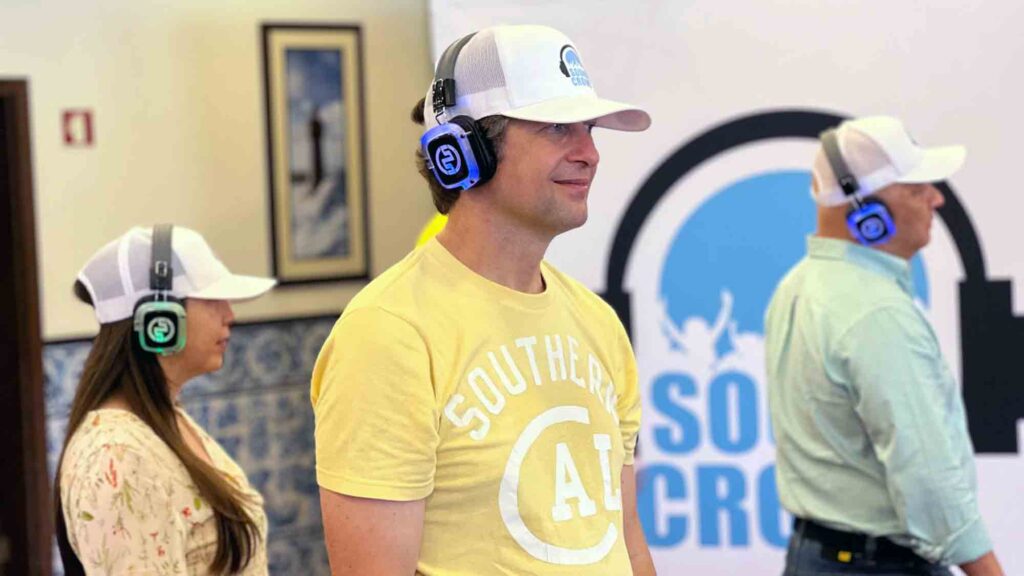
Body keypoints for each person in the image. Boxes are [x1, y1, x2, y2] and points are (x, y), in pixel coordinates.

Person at [311, 24, 656, 575]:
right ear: (462, 151)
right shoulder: (388, 333)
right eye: (556, 127)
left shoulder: (597, 322)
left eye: (589, 128)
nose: (589, 153)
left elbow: (626, 539)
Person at [765, 116, 1004, 575]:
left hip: (817, 557)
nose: (936, 198)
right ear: (867, 216)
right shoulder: (875, 313)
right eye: (917, 189)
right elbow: (929, 480)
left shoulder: (795, 286)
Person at [54, 224, 276, 575]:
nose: (229, 315)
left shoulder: (166, 421)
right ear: (160, 318)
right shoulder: (117, 457)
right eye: (211, 300)